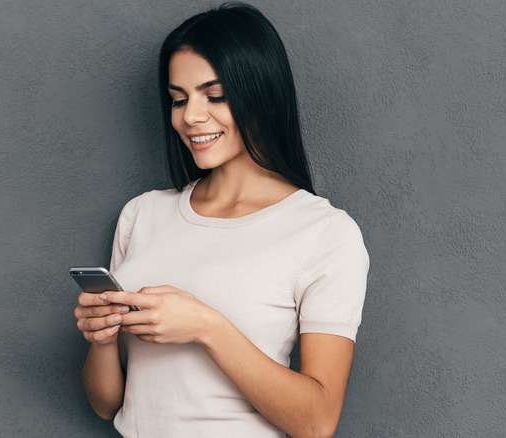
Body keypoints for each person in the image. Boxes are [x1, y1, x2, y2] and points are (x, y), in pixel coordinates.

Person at [74, 3, 368, 437]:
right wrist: (100, 341)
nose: (191, 116)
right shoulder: (142, 214)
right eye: (179, 99)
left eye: (215, 96)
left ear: (261, 94)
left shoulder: (325, 232)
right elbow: (106, 405)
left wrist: (205, 326)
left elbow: (317, 421)